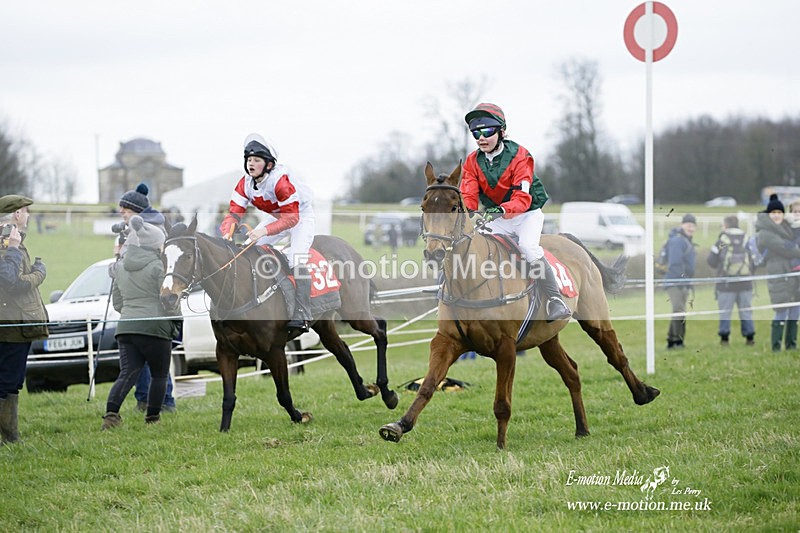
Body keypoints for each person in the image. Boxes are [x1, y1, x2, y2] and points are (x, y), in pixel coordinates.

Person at [460, 103, 570, 322]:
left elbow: (522, 198)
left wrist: (501, 210)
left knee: (528, 247)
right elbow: (469, 195)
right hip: (497, 216)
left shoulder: (520, 156)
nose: (481, 138)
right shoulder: (472, 161)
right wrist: (468, 212)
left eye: (487, 131)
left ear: (501, 131)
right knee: (472, 243)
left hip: (526, 214)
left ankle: (555, 299)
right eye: (476, 133)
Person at [219, 133, 316, 337]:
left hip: (299, 216)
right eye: (249, 160)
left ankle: (303, 312)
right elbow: (235, 212)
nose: (251, 164)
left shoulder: (280, 182)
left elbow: (291, 219)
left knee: (296, 259)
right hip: (277, 216)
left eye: (256, 160)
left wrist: (263, 230)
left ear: (269, 165)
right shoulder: (244, 183)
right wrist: (227, 232)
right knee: (249, 247)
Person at [102, 215, 181, 429]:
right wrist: (176, 321)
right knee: (159, 375)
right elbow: (168, 300)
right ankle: (152, 419)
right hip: (155, 328)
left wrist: (131, 310)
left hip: (126, 327)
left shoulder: (121, 267)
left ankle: (111, 416)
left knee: (127, 373)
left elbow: (118, 303)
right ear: (156, 244)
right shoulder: (158, 267)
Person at [112, 183, 177, 412]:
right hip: (142, 310)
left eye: (125, 209)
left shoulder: (149, 230)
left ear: (137, 212)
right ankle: (148, 401)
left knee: (155, 365)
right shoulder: (138, 229)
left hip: (149, 308)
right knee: (150, 362)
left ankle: (162, 402)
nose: (121, 212)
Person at [0, 195, 48, 444]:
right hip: (13, 324)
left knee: (11, 380)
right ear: (17, 214)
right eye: (26, 211)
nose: (28, 215)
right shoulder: (8, 241)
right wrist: (39, 273)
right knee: (9, 381)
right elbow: (12, 281)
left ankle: (9, 436)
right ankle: (9, 437)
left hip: (12, 322)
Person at [756, 194, 800, 352]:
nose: (776, 215)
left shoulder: (787, 227)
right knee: (781, 311)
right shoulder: (765, 233)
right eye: (773, 213)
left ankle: (791, 345)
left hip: (793, 275)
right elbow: (784, 248)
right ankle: (775, 347)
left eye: (779, 212)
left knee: (795, 311)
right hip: (779, 274)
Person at [706, 215, 755, 346]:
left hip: (726, 284)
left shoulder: (722, 240)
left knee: (725, 312)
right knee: (746, 310)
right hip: (745, 283)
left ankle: (724, 339)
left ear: (726, 225)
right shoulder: (746, 238)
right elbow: (754, 259)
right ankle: (750, 338)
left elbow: (711, 260)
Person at [663, 214, 697, 349]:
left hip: (681, 281)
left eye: (694, 226)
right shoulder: (678, 241)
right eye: (689, 225)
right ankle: (678, 341)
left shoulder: (685, 240)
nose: (692, 228)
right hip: (676, 281)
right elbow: (675, 263)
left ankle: (671, 341)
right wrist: (682, 279)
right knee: (679, 310)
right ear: (682, 225)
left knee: (678, 310)